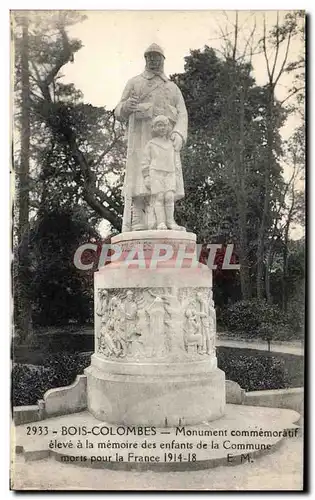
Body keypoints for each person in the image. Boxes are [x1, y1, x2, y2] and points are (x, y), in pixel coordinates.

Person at [115, 43, 188, 231]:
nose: (153, 60)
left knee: (166, 183)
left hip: (165, 140)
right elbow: (118, 110)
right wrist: (125, 107)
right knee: (140, 173)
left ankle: (166, 220)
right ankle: (139, 216)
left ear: (163, 60)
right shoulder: (135, 82)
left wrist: (179, 133)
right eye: (150, 56)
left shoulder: (171, 87)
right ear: (145, 59)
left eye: (157, 56)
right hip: (141, 137)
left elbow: (182, 113)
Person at [142, 115, 185, 230]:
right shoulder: (151, 144)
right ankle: (161, 222)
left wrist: (177, 175)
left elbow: (176, 161)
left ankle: (170, 222)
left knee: (169, 197)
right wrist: (146, 176)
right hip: (155, 172)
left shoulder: (172, 144)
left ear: (168, 127)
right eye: (159, 125)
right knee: (159, 197)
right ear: (154, 128)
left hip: (170, 173)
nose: (162, 128)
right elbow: (145, 161)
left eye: (165, 125)